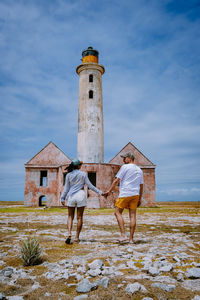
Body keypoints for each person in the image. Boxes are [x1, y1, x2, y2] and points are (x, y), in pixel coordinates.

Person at [61, 159, 102, 244]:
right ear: (79, 166)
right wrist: (100, 192)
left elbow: (66, 188)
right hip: (81, 195)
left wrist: (62, 198)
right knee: (79, 217)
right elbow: (90, 186)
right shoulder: (83, 174)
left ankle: (69, 233)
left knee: (70, 216)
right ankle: (76, 237)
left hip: (71, 196)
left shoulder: (68, 175)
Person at [105, 152, 143, 244]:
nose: (123, 160)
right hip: (135, 194)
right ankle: (131, 239)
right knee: (132, 215)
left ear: (129, 158)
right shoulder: (139, 170)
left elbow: (116, 180)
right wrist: (140, 198)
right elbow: (141, 185)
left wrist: (109, 191)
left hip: (126, 193)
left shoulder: (125, 167)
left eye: (124, 158)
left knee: (117, 212)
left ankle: (123, 235)